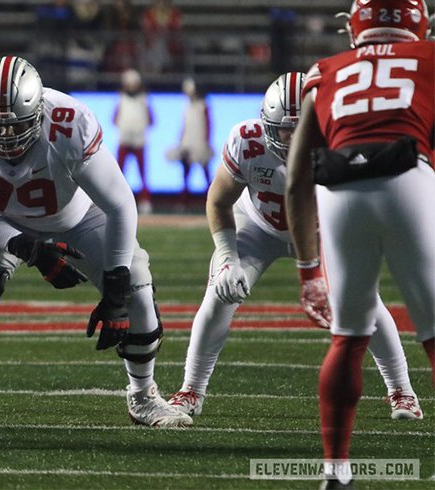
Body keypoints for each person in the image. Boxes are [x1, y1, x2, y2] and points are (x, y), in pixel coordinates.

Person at [0, 56, 191, 428]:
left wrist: (114, 289)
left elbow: (118, 205)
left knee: (136, 287)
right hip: (0, 221)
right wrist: (30, 248)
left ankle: (143, 397)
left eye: (15, 126)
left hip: (78, 218)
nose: (5, 138)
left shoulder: (70, 121)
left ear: (38, 112)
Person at [167, 72, 423, 422]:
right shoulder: (247, 139)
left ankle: (402, 391)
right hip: (257, 226)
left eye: (301, 126)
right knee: (219, 293)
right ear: (266, 123)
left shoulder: (343, 143)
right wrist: (227, 257)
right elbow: (218, 200)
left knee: (364, 298)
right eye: (284, 129)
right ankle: (191, 389)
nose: (292, 138)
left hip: (322, 232)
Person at [284, 2, 434, 487]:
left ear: (355, 27)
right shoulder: (429, 58)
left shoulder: (324, 70)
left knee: (348, 336)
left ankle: (335, 470)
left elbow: (295, 178)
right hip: (408, 173)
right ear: (420, 24)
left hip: (338, 188)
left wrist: (309, 271)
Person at [167, 77, 213, 209]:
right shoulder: (187, 106)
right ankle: (183, 201)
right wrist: (181, 141)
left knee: (206, 174)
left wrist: (205, 142)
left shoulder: (203, 106)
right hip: (188, 143)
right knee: (186, 175)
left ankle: (211, 201)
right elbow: (184, 126)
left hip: (200, 143)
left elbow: (208, 125)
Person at [113, 69, 153, 213]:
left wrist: (139, 128)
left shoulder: (144, 100)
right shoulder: (121, 98)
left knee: (142, 174)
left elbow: (151, 119)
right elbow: (114, 118)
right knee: (119, 173)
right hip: (124, 139)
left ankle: (145, 201)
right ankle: (115, 200)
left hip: (139, 140)